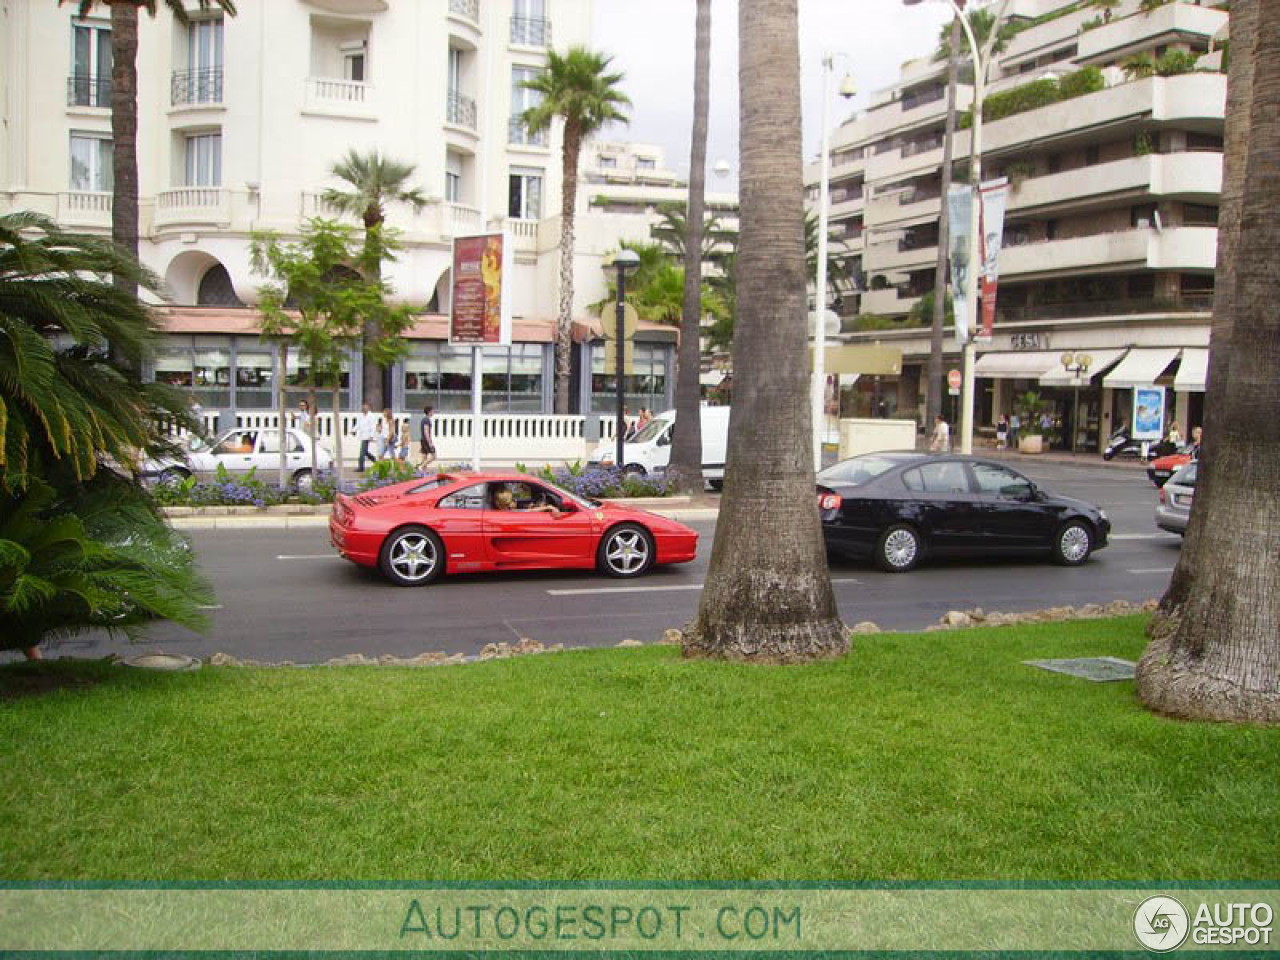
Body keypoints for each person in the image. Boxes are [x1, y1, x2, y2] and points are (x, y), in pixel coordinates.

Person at [493, 488, 558, 513]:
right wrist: (548, 507)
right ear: (506, 505)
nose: (515, 501)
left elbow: (528, 509)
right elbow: (531, 511)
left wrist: (530, 506)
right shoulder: (512, 512)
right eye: (512, 500)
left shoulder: (501, 510)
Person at [355, 403, 378, 472]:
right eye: (363, 408)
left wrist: (371, 435)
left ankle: (361, 467)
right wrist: (353, 430)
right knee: (364, 452)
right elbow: (358, 424)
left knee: (362, 452)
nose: (363, 409)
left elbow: (373, 426)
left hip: (367, 436)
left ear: (368, 408)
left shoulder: (371, 416)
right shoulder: (361, 416)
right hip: (362, 435)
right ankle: (375, 460)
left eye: (365, 408)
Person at [418, 405, 436, 470]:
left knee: (424, 457)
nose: (433, 412)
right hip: (426, 440)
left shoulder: (424, 419)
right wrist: (430, 442)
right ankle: (421, 466)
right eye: (432, 411)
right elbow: (426, 432)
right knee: (434, 456)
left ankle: (423, 472)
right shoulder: (426, 420)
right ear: (429, 412)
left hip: (423, 440)